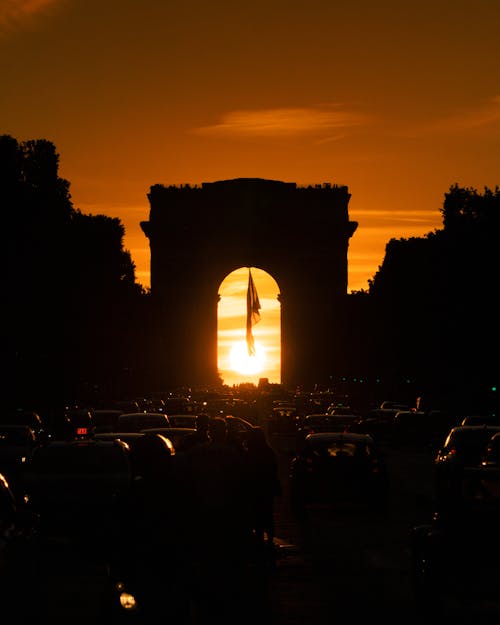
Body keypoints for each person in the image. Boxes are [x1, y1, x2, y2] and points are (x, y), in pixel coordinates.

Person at [245, 426, 282, 551]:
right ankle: (269, 538)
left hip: (255, 489)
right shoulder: (268, 452)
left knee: (256, 514)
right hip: (266, 489)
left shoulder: (250, 452)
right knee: (267, 514)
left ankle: (260, 537)